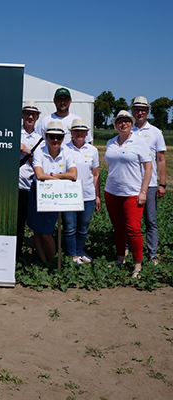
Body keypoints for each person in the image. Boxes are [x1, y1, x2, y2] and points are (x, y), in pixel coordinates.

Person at [104, 110, 152, 278]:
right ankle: (120, 258)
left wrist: (143, 191)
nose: (123, 124)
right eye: (120, 121)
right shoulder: (110, 142)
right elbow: (110, 165)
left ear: (131, 124)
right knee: (118, 228)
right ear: (115, 124)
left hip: (132, 193)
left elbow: (148, 168)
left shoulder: (139, 142)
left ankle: (137, 264)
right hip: (112, 192)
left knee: (133, 229)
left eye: (126, 121)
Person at [27, 121, 77, 264]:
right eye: (52, 136)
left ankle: (51, 261)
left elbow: (73, 174)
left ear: (63, 138)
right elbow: (38, 175)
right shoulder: (39, 151)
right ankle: (43, 262)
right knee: (37, 230)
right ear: (46, 137)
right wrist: (61, 176)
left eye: (59, 137)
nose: (55, 140)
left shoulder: (67, 152)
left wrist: (52, 177)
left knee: (47, 233)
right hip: (37, 193)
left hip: (55, 195)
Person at [131, 96, 167, 264]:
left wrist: (162, 183)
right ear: (132, 111)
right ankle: (130, 249)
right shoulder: (127, 129)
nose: (140, 113)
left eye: (143, 110)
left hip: (151, 184)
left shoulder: (155, 132)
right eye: (137, 109)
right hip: (131, 183)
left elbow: (160, 159)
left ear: (147, 111)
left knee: (150, 220)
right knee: (131, 220)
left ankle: (152, 253)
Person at [63, 119, 101, 264]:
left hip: (88, 194)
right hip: (69, 196)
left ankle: (79, 251)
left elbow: (96, 174)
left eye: (82, 131)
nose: (79, 133)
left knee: (83, 227)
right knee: (70, 227)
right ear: (71, 133)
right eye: (76, 131)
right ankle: (72, 255)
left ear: (86, 133)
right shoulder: (64, 148)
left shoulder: (93, 150)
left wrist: (97, 196)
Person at [17, 101, 42, 260]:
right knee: (17, 223)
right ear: (22, 115)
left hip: (33, 185)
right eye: (27, 113)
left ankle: (37, 255)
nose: (30, 117)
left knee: (35, 224)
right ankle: (15, 255)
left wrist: (27, 152)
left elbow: (40, 163)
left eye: (33, 114)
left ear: (37, 117)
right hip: (16, 185)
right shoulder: (13, 133)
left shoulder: (41, 139)